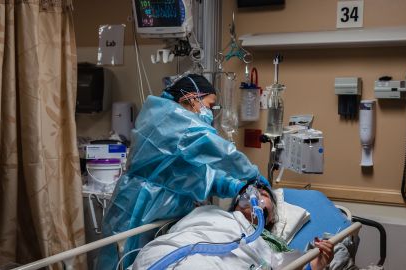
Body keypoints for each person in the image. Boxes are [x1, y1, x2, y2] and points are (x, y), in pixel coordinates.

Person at [97, 74, 268, 269]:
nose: (210, 113)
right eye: (210, 105)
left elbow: (192, 175)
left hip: (160, 213)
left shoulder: (178, 126)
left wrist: (236, 186)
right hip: (138, 204)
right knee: (122, 259)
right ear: (193, 98)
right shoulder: (170, 118)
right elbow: (222, 153)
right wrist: (252, 174)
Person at [132, 183, 335, 270]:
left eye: (264, 195)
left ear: (271, 217)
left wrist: (317, 263)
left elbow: (283, 265)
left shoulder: (268, 241)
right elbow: (181, 232)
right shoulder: (211, 213)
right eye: (251, 191)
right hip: (164, 254)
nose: (255, 194)